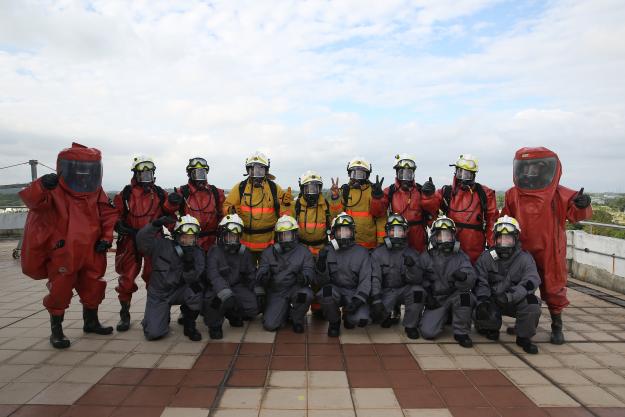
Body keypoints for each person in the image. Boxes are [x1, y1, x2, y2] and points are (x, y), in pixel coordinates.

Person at [19, 142, 117, 348]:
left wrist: (106, 238)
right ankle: (57, 331)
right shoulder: (53, 190)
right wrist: (41, 184)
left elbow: (108, 215)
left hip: (92, 250)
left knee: (93, 285)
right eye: (80, 169)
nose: (84, 174)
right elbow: (32, 201)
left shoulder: (96, 191)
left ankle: (91, 322)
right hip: (64, 251)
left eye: (88, 169)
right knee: (60, 291)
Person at [502, 147, 592, 344]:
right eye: (526, 168)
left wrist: (583, 204)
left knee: (553, 287)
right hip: (521, 249)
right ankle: (523, 322)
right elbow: (505, 221)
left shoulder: (560, 194)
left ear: (546, 169)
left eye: (535, 168)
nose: (529, 172)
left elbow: (576, 215)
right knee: (520, 285)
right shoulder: (513, 195)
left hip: (550, 248)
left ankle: (556, 325)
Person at [113, 156, 168, 332]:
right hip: (130, 240)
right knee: (127, 278)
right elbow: (114, 213)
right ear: (135, 174)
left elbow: (168, 214)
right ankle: (124, 314)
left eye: (149, 173)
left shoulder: (160, 193)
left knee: (154, 278)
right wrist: (117, 223)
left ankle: (153, 314)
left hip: (153, 241)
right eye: (143, 173)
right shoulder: (126, 194)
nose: (146, 176)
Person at [474, 216, 541, 354]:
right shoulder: (486, 257)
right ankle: (490, 327)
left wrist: (510, 296)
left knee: (532, 302)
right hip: (494, 299)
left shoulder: (525, 258)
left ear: (515, 238)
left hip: (514, 300)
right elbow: (481, 281)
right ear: (495, 238)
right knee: (478, 305)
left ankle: (524, 337)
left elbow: (531, 282)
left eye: (508, 238)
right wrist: (483, 300)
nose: (504, 242)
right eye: (501, 238)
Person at [137, 215, 205, 341]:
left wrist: (189, 266)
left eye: (192, 238)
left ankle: (189, 324)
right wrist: (154, 225)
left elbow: (194, 278)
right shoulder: (161, 245)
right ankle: (157, 316)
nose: (188, 241)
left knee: (197, 289)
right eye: (185, 237)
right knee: (153, 333)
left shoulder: (197, 253)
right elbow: (142, 242)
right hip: (159, 294)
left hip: (180, 290)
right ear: (177, 236)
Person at [421, 154, 498, 264]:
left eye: (467, 174)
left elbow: (492, 222)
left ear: (473, 175)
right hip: (449, 246)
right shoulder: (447, 192)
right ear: (455, 172)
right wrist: (428, 196)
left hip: (475, 250)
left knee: (474, 276)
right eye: (460, 172)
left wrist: (492, 248)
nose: (462, 177)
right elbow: (431, 208)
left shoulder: (484, 194)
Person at [223, 151, 293, 262]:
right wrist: (231, 210)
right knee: (247, 275)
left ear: (266, 171)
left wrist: (286, 204)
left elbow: (286, 216)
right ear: (248, 170)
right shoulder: (240, 188)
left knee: (267, 275)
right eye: (253, 170)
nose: (256, 173)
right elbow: (225, 207)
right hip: (245, 245)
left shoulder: (274, 188)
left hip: (269, 245)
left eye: (260, 170)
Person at [420, 216, 477, 348]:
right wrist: (427, 295)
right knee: (428, 332)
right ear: (434, 237)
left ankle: (461, 332)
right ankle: (446, 316)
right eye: (441, 236)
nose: (445, 239)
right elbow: (419, 279)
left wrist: (464, 277)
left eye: (448, 235)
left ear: (454, 237)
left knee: (465, 296)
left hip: (453, 296)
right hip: (436, 300)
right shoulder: (426, 256)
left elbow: (471, 277)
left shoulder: (460, 256)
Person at [314, 212, 372, 337]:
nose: (344, 235)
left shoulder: (362, 252)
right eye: (340, 231)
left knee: (361, 320)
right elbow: (322, 283)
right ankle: (334, 322)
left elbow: (366, 280)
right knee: (325, 293)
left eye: (347, 231)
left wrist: (358, 300)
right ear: (334, 233)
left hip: (353, 292)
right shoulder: (326, 251)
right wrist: (321, 265)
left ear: (353, 232)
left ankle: (349, 315)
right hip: (335, 290)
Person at [294, 170, 342, 317]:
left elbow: (336, 216)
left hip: (320, 248)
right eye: (308, 188)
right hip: (301, 249)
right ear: (302, 188)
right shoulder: (296, 205)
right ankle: (297, 307)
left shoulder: (325, 205)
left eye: (315, 188)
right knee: (299, 278)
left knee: (319, 280)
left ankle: (317, 308)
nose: (312, 192)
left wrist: (335, 197)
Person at [203, 214, 258, 339]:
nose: (232, 240)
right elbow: (214, 276)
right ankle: (214, 325)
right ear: (222, 235)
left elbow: (250, 274)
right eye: (229, 236)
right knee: (214, 303)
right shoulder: (214, 251)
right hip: (217, 290)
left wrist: (257, 290)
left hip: (236, 286)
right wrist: (225, 293)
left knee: (253, 307)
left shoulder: (244, 252)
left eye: (235, 237)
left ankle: (233, 314)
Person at [255, 215, 315, 333]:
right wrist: (264, 275)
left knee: (306, 294)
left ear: (294, 234)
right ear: (277, 236)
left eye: (288, 234)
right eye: (282, 235)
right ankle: (282, 311)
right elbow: (262, 269)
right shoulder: (269, 252)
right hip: (277, 291)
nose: (285, 238)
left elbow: (309, 271)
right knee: (270, 325)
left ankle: (297, 319)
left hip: (295, 288)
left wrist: (304, 277)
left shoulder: (304, 252)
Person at [370, 214, 426, 339]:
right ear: (387, 232)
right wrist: (377, 300)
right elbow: (375, 279)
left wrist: (412, 267)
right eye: (392, 230)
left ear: (405, 232)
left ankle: (411, 325)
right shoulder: (378, 253)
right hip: (386, 291)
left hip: (404, 290)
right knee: (375, 317)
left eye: (399, 230)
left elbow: (418, 280)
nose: (395, 234)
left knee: (418, 292)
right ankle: (388, 314)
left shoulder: (413, 253)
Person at [370, 154, 434, 252]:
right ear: (397, 173)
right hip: (396, 234)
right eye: (402, 174)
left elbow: (432, 214)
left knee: (418, 263)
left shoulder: (420, 191)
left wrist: (429, 197)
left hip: (418, 238)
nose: (405, 178)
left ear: (413, 174)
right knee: (398, 260)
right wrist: (376, 198)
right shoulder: (390, 191)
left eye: (409, 174)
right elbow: (377, 212)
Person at [164, 157, 225, 251]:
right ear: (189, 174)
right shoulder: (183, 192)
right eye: (196, 174)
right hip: (189, 243)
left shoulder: (216, 193)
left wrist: (223, 233)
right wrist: (177, 230)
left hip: (212, 244)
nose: (199, 177)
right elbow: (167, 213)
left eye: (202, 173)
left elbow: (223, 215)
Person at [329, 157, 386, 250]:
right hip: (347, 243)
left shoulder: (373, 192)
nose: (357, 178)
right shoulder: (345, 191)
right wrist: (335, 198)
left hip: (369, 246)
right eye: (354, 173)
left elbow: (381, 219)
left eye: (361, 174)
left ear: (367, 176)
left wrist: (381, 242)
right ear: (349, 174)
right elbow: (336, 217)